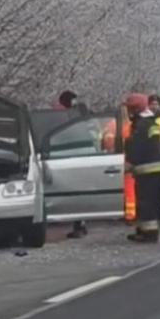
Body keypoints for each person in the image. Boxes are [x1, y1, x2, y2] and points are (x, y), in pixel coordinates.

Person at [124, 93, 160, 243]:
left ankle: (150, 234)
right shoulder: (149, 123)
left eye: (130, 109)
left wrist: (129, 162)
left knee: (147, 203)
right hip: (152, 170)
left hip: (148, 171)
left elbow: (138, 147)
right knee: (145, 202)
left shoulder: (141, 126)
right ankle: (143, 230)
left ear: (136, 109)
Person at [55, 90, 90, 239]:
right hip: (82, 155)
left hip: (74, 156)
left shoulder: (64, 116)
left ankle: (80, 224)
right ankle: (80, 223)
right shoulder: (80, 114)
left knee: (76, 191)